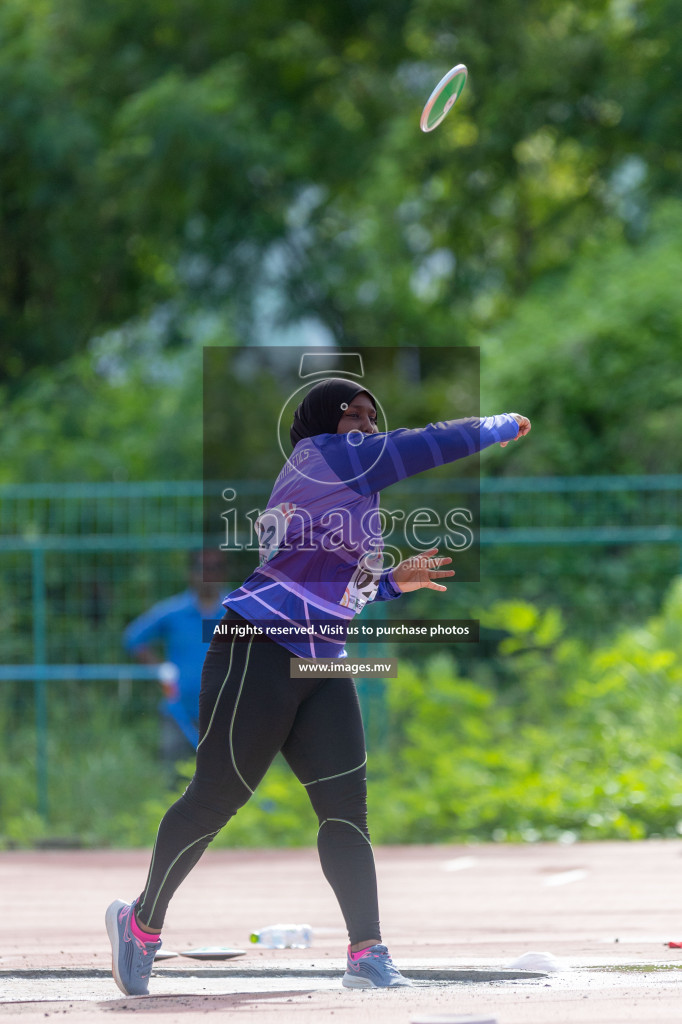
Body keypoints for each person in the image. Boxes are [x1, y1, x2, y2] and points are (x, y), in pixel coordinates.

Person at [106, 378, 530, 996]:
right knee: (215, 798)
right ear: (314, 425)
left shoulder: (354, 489)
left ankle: (367, 952)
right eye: (348, 414)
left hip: (323, 661)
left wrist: (389, 584)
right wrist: (492, 426)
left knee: (346, 813)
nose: (362, 422)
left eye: (370, 414)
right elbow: (420, 446)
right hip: (258, 645)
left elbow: (334, 582)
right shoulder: (319, 460)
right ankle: (139, 925)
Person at [123, 550, 226, 780]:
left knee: (225, 784)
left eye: (216, 568)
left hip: (226, 713)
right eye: (203, 569)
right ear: (191, 573)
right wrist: (159, 668)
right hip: (179, 712)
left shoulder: (237, 612)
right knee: (175, 781)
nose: (209, 575)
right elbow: (133, 639)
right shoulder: (172, 612)